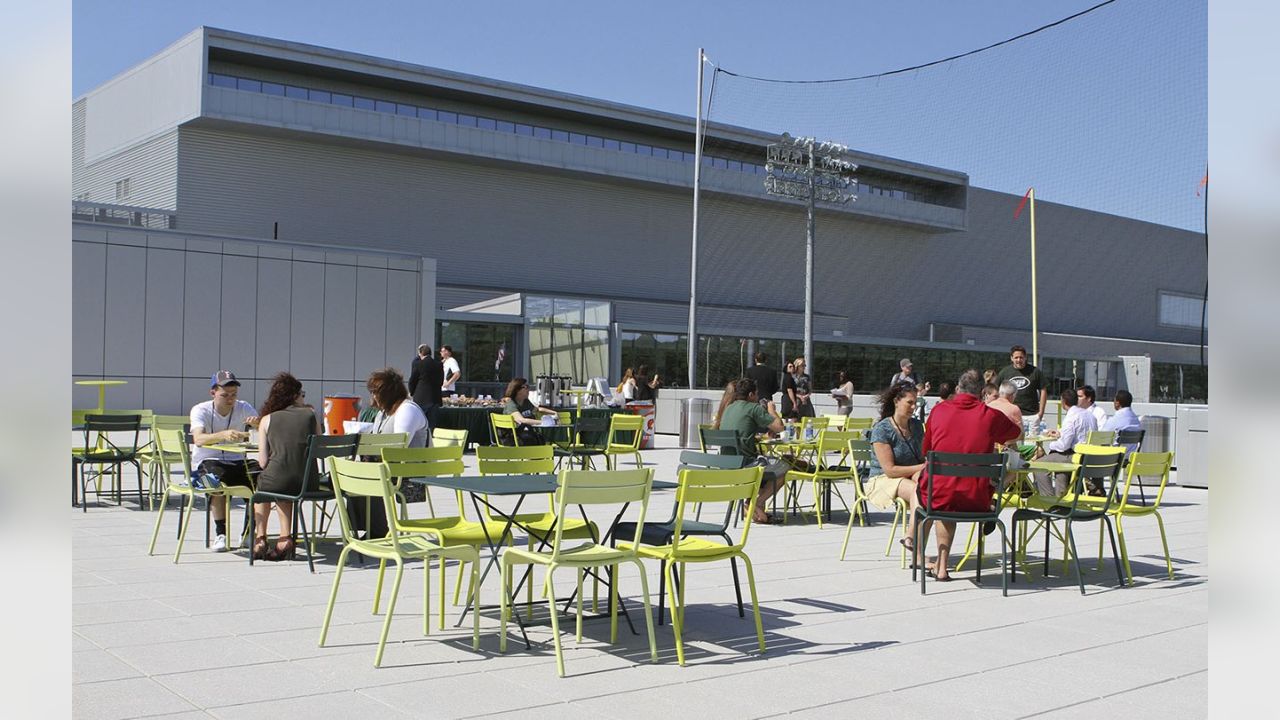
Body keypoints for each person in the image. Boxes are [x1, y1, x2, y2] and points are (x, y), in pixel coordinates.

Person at [914, 369, 1020, 580]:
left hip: (938, 498)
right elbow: (1014, 433)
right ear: (982, 392)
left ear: (957, 389)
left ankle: (941, 566)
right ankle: (941, 566)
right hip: (977, 501)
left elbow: (926, 451)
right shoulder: (990, 415)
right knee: (954, 490)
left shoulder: (939, 411)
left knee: (943, 493)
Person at [189, 371, 260, 553]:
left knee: (263, 478)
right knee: (215, 481)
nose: (230, 399)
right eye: (225, 395)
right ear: (213, 393)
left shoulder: (244, 407)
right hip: (208, 460)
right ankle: (221, 533)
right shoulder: (200, 410)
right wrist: (223, 435)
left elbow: (263, 428)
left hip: (237, 459)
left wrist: (258, 424)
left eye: (234, 395)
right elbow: (198, 439)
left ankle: (248, 532)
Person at [253, 372, 318, 561]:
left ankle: (261, 538)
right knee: (284, 483)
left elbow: (263, 461)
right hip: (308, 482)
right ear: (294, 396)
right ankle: (284, 537)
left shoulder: (267, 420)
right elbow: (319, 445)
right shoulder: (311, 415)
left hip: (278, 480)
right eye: (302, 394)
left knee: (266, 484)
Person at [861, 382, 927, 556]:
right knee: (919, 491)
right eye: (910, 402)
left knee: (929, 489)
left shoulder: (917, 426)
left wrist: (923, 469)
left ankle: (916, 547)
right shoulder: (882, 429)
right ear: (897, 401)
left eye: (916, 403)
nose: (913, 407)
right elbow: (889, 470)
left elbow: (921, 457)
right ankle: (911, 539)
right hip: (883, 480)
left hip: (909, 475)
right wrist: (922, 467)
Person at [715, 377, 786, 524]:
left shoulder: (729, 408)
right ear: (750, 395)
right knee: (783, 467)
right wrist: (772, 410)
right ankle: (756, 503)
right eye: (756, 394)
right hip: (745, 464)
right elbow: (779, 427)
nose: (758, 396)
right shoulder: (753, 408)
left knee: (764, 463)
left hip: (726, 463)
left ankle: (755, 510)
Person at [1033, 388, 1099, 496]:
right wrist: (1060, 433)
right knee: (1058, 461)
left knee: (1038, 464)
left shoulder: (1071, 418)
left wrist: (1051, 444)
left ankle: (1049, 498)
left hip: (1076, 457)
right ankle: (1061, 495)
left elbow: (1063, 445)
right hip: (1090, 457)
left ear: (1063, 402)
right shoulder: (1090, 415)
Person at [995, 345, 1047, 425]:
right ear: (1011, 358)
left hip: (1031, 415)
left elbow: (1043, 390)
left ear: (1025, 357)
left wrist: (1041, 412)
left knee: (1032, 438)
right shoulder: (1004, 372)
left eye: (1021, 357)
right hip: (1011, 414)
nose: (1019, 360)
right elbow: (995, 390)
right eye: (1016, 357)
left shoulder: (1035, 372)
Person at [500, 377, 557, 445]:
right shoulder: (511, 404)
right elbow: (521, 420)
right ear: (517, 389)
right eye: (526, 387)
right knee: (532, 440)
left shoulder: (526, 402)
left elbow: (538, 409)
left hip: (525, 434)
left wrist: (554, 413)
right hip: (512, 438)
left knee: (539, 439)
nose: (528, 390)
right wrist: (543, 422)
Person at [407, 343, 444, 431]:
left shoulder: (419, 364)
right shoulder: (438, 365)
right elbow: (441, 382)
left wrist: (412, 392)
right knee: (431, 425)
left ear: (420, 353)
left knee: (420, 425)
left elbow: (412, 380)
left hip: (421, 398)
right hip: (435, 398)